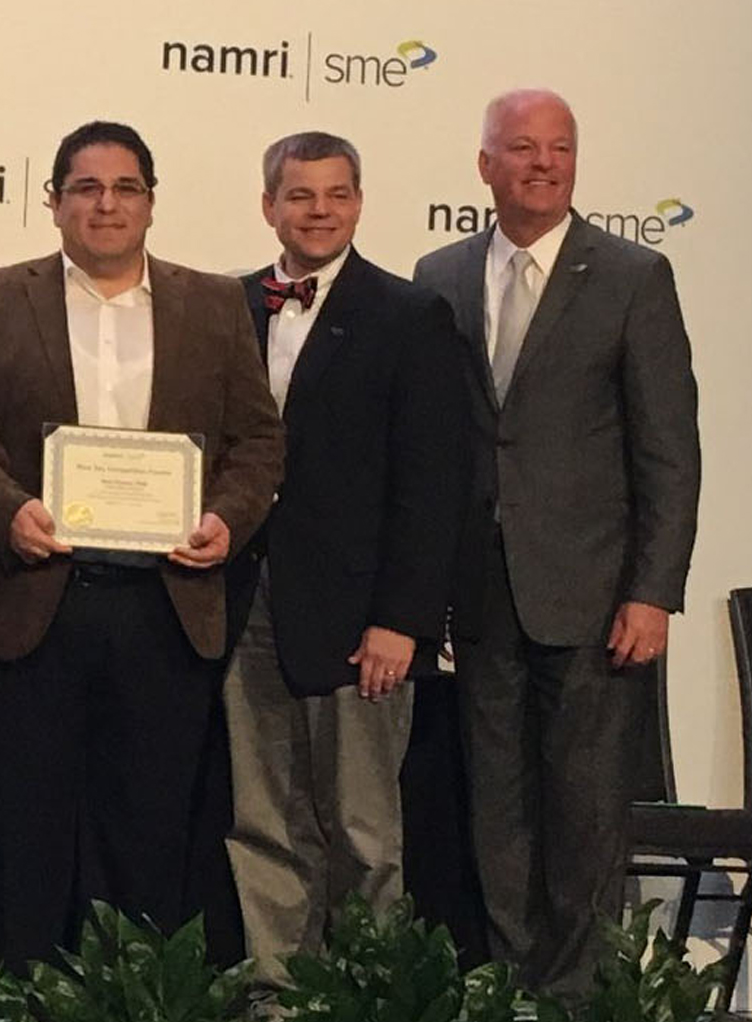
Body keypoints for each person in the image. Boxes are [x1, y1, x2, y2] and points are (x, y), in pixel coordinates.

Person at [0, 120, 285, 967]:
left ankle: (135, 999)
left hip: (165, 607)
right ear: (53, 202)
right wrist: (6, 509)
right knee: (25, 834)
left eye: (125, 188)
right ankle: (18, 994)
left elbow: (258, 444)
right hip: (32, 602)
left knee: (150, 834)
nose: (106, 205)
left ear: (151, 204)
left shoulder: (213, 303)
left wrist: (226, 522)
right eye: (86, 188)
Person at [414, 88, 701, 999]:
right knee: (495, 811)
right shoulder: (439, 276)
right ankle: (507, 991)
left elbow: (669, 452)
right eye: (522, 148)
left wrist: (653, 592)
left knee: (582, 816)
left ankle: (575, 1000)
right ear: (484, 164)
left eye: (560, 149)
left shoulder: (631, 276)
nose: (543, 164)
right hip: (479, 593)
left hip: (592, 595)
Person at [220, 131, 468, 993]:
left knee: (363, 827)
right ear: (268, 206)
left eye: (335, 195)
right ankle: (278, 990)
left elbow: (432, 485)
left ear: (359, 203)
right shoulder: (229, 306)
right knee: (261, 816)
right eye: (299, 196)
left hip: (361, 615)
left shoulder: (408, 315)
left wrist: (403, 620)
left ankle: (370, 992)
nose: (317, 211)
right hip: (244, 601)